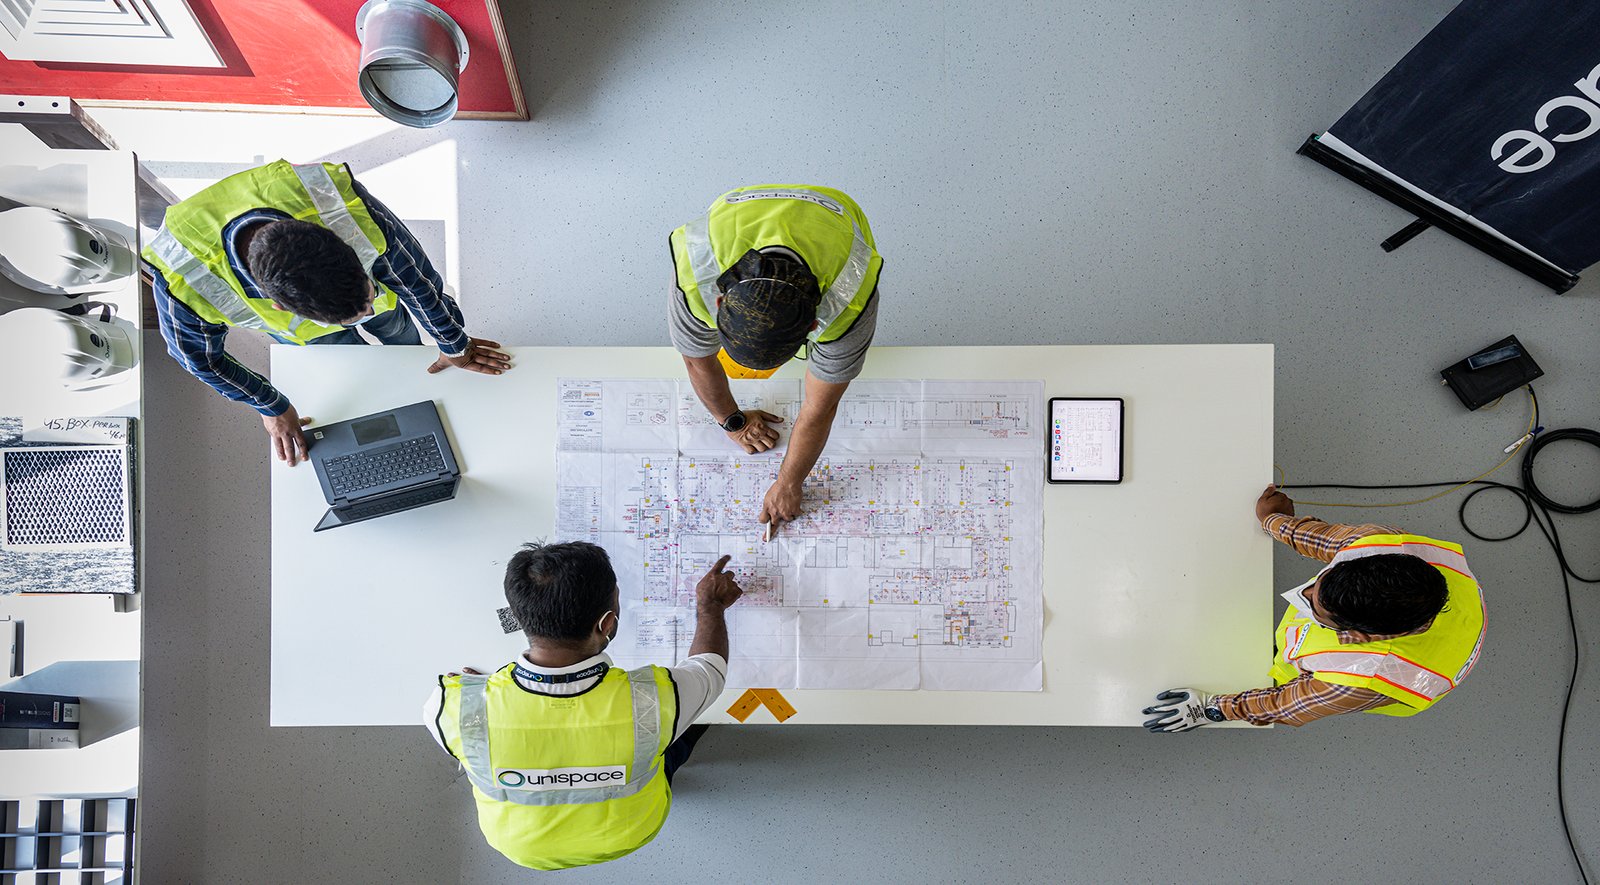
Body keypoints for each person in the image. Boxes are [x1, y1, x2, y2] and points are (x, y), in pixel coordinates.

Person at [142, 159, 512, 466]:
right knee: (350, 360)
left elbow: (416, 278)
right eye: (355, 312)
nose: (367, 310)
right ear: (280, 306)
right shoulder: (183, 280)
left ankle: (407, 363)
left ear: (341, 246)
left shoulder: (334, 203)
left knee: (395, 324)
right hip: (304, 333)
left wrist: (453, 344)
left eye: (366, 294)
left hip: (345, 298)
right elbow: (199, 361)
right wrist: (270, 404)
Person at [422, 542, 743, 870]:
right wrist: (710, 605)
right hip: (630, 832)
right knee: (683, 721)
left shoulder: (452, 709)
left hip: (521, 847)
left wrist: (479, 694)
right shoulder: (655, 700)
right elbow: (710, 669)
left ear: (518, 617)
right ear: (606, 624)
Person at [1142, 484, 1485, 731]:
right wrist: (1274, 520)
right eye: (1316, 585)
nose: (1302, 594)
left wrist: (1211, 710)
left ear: (1359, 635)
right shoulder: (1383, 546)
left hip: (1373, 672)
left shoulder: (1360, 679)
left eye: (1316, 611)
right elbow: (1330, 541)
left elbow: (1283, 704)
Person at [668, 184, 883, 535]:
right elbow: (696, 360)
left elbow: (820, 408)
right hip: (739, 210)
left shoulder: (850, 297)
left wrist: (789, 483)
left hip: (834, 215)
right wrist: (732, 422)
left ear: (814, 326)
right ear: (719, 303)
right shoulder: (697, 273)